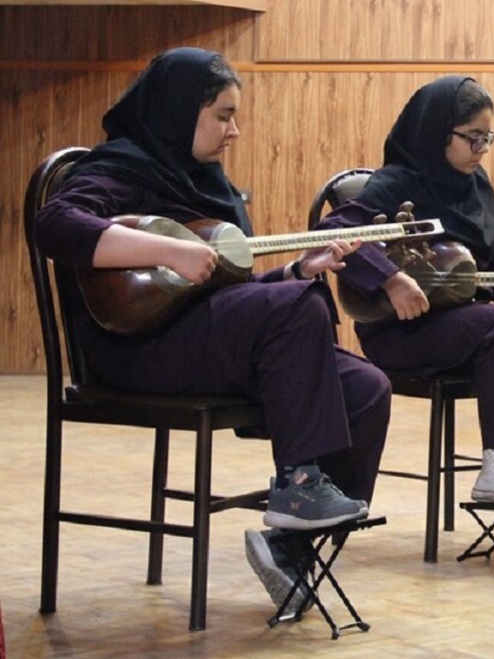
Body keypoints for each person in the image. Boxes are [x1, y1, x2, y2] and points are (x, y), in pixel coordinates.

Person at [35, 48, 392, 614]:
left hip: (206, 340)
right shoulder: (116, 169)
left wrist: (298, 271)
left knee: (367, 388)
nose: (235, 131)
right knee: (295, 309)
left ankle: (292, 549)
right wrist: (169, 249)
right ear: (180, 110)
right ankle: (298, 486)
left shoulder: (209, 184)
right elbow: (54, 225)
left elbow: (233, 292)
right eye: (223, 116)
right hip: (135, 350)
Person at [315, 75, 494, 556]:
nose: (482, 148)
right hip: (398, 331)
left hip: (463, 327)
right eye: (472, 137)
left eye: (488, 138)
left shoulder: (478, 187)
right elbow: (334, 231)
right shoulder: (397, 180)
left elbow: (487, 274)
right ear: (440, 132)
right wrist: (390, 279)